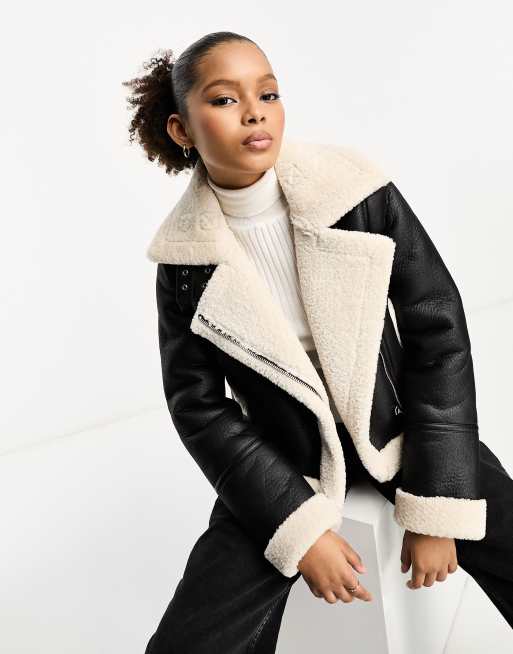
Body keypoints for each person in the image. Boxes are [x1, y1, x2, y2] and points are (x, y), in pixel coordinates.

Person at [123, 31, 513, 651]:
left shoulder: (354, 192)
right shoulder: (183, 261)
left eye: (268, 94)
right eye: (224, 100)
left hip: (401, 431)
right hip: (287, 462)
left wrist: (437, 501)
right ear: (181, 129)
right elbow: (198, 406)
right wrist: (299, 530)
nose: (255, 113)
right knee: (191, 639)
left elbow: (436, 327)